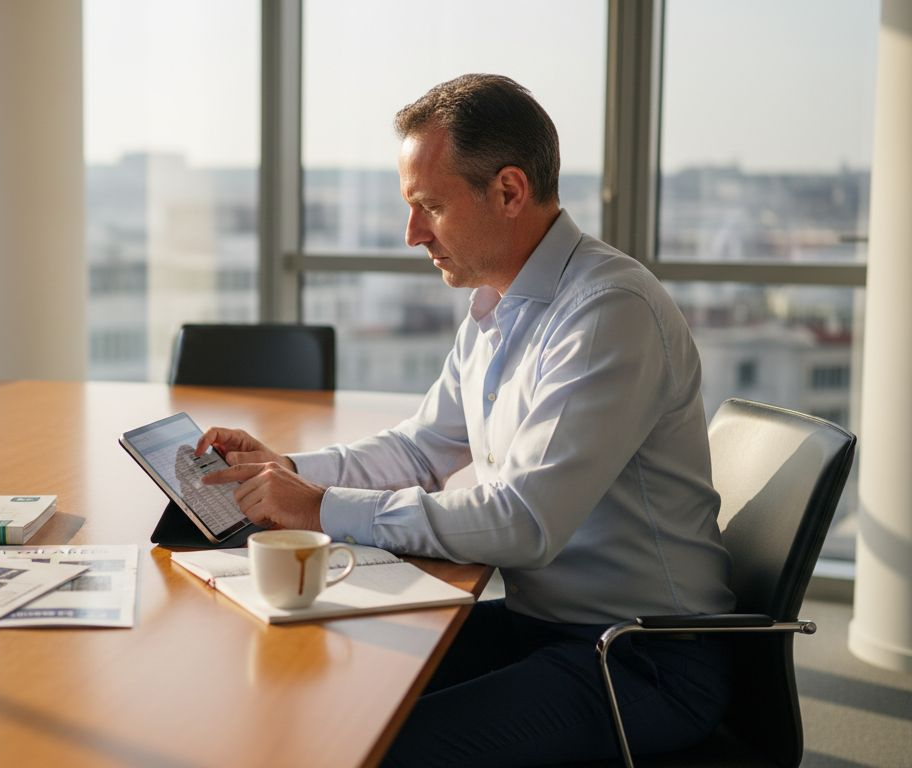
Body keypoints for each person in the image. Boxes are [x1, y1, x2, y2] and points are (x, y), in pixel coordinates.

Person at [196, 74, 735, 767]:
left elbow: (523, 522)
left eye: (430, 207)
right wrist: (290, 473)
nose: (412, 233)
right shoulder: (497, 302)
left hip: (640, 658)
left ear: (508, 191)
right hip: (547, 627)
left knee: (377, 744)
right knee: (329, 689)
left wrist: (324, 509)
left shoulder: (608, 313)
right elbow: (425, 447)